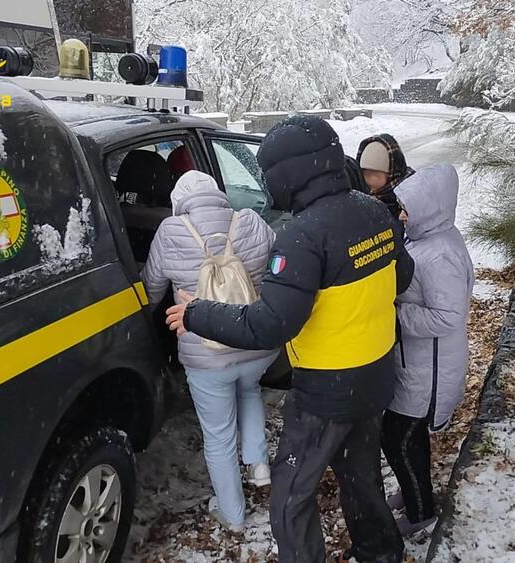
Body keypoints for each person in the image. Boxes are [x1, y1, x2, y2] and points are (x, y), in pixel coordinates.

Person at [165, 116, 414, 563]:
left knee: (291, 496)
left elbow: (269, 325)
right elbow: (403, 275)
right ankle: (381, 552)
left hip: (327, 392)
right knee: (360, 474)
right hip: (376, 373)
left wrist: (196, 313)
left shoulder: (302, 235)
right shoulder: (372, 209)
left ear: (287, 174)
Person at [141, 170, 278, 532]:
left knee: (218, 434)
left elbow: (152, 290)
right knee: (248, 388)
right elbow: (278, 267)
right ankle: (258, 463)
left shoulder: (170, 231)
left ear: (179, 201)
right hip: (257, 344)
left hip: (207, 355)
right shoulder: (251, 221)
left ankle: (232, 514)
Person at [382, 164, 474, 536]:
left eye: (408, 207)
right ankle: (413, 492)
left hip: (428, 370)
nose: (402, 214)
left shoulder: (440, 255)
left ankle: (421, 513)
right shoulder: (428, 238)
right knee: (408, 435)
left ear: (430, 208)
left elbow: (448, 316)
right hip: (417, 363)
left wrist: (397, 313)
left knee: (397, 437)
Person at [357, 134, 414, 220]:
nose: (366, 179)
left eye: (372, 174)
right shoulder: (362, 198)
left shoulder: (413, 197)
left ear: (391, 173)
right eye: (363, 173)